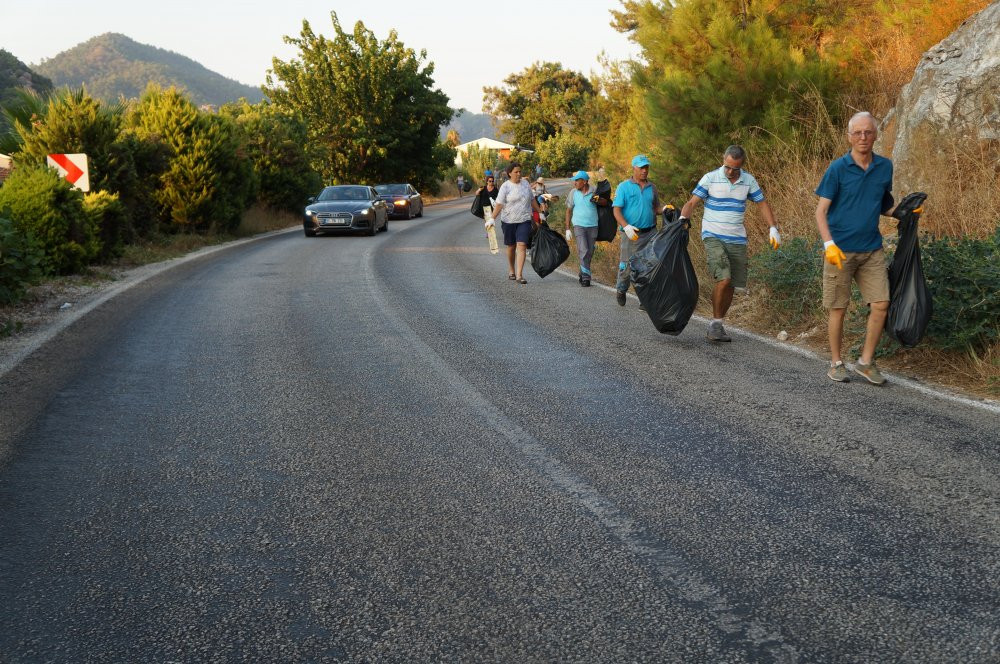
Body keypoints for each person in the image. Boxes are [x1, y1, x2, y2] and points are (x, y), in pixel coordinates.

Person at [816, 111, 896, 385]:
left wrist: (907, 212)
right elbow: (820, 211)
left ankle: (865, 362)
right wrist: (829, 245)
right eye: (857, 133)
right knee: (838, 307)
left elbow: (883, 203)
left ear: (875, 135)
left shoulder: (885, 167)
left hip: (872, 248)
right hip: (840, 251)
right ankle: (837, 362)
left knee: (881, 304)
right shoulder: (838, 168)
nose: (863, 137)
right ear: (849, 136)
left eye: (868, 132)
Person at [680, 145, 780, 343]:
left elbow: (762, 203)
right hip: (712, 235)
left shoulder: (748, 181)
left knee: (732, 283)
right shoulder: (710, 178)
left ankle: (717, 323)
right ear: (723, 160)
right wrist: (683, 219)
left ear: (742, 166)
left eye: (735, 168)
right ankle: (716, 325)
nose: (730, 172)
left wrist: (773, 228)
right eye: (727, 167)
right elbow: (692, 202)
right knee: (723, 278)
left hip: (737, 238)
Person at [612, 155, 661, 306]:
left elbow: (655, 208)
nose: (644, 170)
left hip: (650, 232)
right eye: (641, 168)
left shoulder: (651, 187)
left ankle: (644, 299)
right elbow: (616, 210)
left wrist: (665, 209)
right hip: (631, 233)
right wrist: (625, 226)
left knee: (649, 265)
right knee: (627, 266)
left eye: (646, 167)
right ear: (634, 168)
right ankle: (621, 289)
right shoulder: (624, 187)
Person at [489, 162, 543, 284]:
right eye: (516, 172)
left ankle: (519, 275)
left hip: (524, 220)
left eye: (520, 171)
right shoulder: (505, 187)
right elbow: (499, 204)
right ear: (509, 173)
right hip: (508, 221)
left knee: (522, 245)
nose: (519, 174)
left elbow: (532, 199)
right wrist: (492, 218)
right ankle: (512, 269)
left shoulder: (526, 184)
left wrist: (540, 212)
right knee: (511, 246)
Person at [564, 170, 599, 287]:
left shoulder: (594, 190)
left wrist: (599, 199)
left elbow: (605, 203)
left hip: (593, 225)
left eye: (577, 181)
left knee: (589, 252)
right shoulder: (573, 193)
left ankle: (582, 271)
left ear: (584, 181)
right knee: (583, 250)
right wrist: (567, 228)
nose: (574, 183)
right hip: (578, 225)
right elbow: (568, 210)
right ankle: (586, 277)